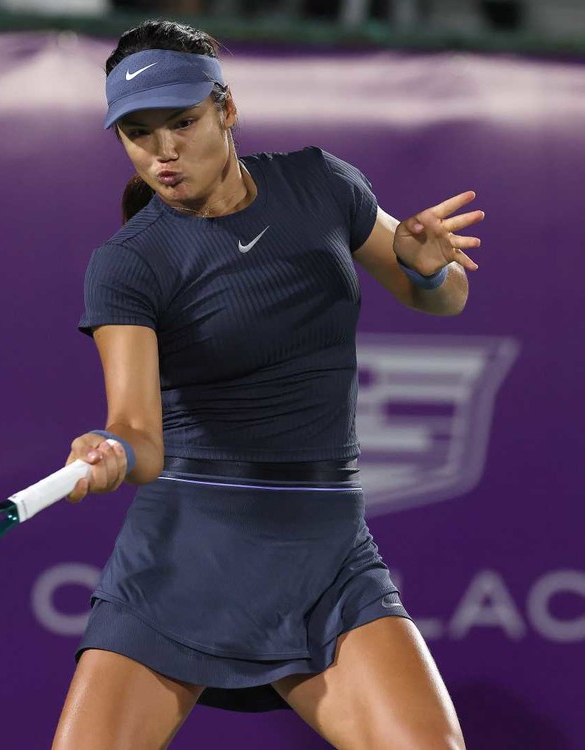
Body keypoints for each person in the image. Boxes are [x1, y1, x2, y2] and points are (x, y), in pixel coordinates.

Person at [52, 19, 481, 750]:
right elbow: (139, 433)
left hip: (326, 548)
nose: (163, 151)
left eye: (182, 122)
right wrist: (112, 449)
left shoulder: (323, 185)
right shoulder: (128, 263)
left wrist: (429, 269)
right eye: (137, 133)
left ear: (226, 108)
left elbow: (443, 300)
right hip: (185, 553)